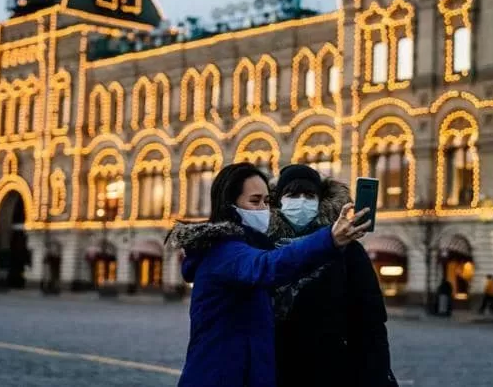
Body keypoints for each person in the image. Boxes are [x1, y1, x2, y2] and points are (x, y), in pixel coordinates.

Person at [165, 162, 371, 387]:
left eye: (266, 201)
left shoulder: (246, 245)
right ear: (229, 205)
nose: (263, 209)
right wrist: (329, 240)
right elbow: (267, 266)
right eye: (254, 201)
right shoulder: (225, 250)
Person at [268, 164, 397, 387]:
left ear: (321, 201)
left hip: (334, 369)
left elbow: (370, 320)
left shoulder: (348, 250)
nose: (301, 202)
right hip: (276, 369)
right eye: (292, 195)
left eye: (309, 195)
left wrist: (375, 372)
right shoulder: (263, 247)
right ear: (279, 200)